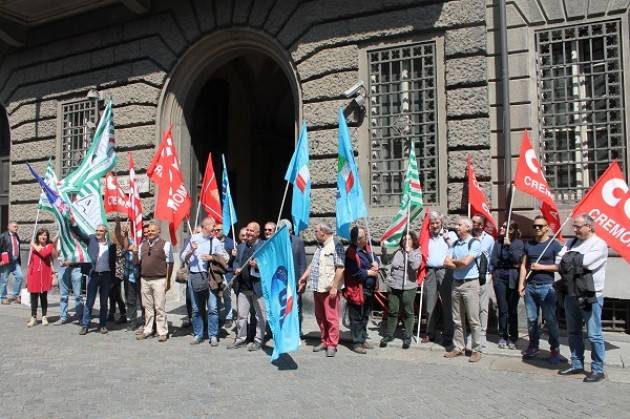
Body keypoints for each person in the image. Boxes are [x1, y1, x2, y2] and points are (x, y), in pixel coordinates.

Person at [556, 214, 609, 383]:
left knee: (594, 335)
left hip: (590, 295)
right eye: (574, 226)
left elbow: (587, 263)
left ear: (589, 227)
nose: (575, 229)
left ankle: (598, 369)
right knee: (573, 332)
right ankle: (577, 363)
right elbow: (559, 260)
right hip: (571, 293)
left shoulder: (599, 244)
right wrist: (572, 261)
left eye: (578, 226)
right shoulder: (571, 242)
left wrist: (570, 260)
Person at [518, 215, 562, 363]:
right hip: (530, 287)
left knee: (550, 320)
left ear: (547, 228)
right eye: (534, 226)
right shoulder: (528, 244)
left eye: (540, 226)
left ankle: (554, 349)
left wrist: (541, 267)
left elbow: (560, 266)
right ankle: (533, 346)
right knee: (531, 320)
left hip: (547, 287)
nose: (537, 228)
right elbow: (524, 266)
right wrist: (521, 284)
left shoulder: (554, 245)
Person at [298, 223, 345, 358]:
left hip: (329, 289)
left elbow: (340, 268)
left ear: (323, 232)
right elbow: (313, 265)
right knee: (320, 317)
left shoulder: (337, 245)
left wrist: (335, 287)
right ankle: (324, 341)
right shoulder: (320, 246)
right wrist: (304, 277)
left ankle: (332, 344)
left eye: (316, 230)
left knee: (331, 318)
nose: (315, 233)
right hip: (317, 288)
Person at [181, 217, 228, 346]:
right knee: (196, 309)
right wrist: (191, 251)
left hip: (210, 278)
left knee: (212, 308)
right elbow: (182, 257)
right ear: (205, 227)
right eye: (213, 226)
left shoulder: (216, 241)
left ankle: (213, 335)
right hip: (194, 277)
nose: (215, 228)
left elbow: (224, 258)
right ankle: (198, 334)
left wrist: (211, 257)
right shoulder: (192, 239)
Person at [443, 217, 483, 362]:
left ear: (467, 227)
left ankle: (476, 350)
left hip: (470, 284)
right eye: (457, 225)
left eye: (459, 225)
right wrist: (457, 263)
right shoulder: (454, 244)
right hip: (456, 283)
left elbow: (466, 262)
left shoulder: (475, 243)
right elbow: (445, 262)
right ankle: (459, 347)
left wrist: (454, 262)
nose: (457, 227)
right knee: (457, 319)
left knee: (473, 319)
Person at [132, 221, 174, 342]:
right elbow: (136, 262)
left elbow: (170, 262)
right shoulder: (142, 245)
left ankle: (162, 332)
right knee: (147, 307)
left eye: (153, 230)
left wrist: (168, 280)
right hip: (145, 279)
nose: (150, 232)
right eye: (149, 231)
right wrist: (135, 253)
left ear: (158, 232)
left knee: (159, 307)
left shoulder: (165, 244)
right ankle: (148, 330)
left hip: (159, 280)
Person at [228, 222, 267, 351]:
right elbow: (236, 263)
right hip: (243, 288)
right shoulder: (240, 247)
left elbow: (269, 265)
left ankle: (258, 340)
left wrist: (258, 266)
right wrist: (235, 269)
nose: (249, 233)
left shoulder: (264, 247)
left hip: (258, 288)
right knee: (241, 316)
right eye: (248, 230)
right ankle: (240, 339)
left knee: (260, 316)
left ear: (257, 233)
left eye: (252, 231)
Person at [380, 231, 421, 349]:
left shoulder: (417, 252)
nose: (405, 242)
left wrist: (409, 253)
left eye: (408, 239)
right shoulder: (397, 252)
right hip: (394, 285)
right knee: (392, 311)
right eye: (404, 240)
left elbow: (415, 266)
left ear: (413, 241)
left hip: (408, 286)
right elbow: (385, 261)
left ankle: (408, 336)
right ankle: (389, 335)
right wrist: (384, 251)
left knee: (408, 312)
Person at [423, 210, 456, 347]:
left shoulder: (450, 234)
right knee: (429, 304)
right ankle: (430, 333)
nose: (435, 225)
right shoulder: (426, 237)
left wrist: (447, 239)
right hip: (430, 271)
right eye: (432, 223)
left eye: (437, 222)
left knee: (447, 304)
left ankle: (448, 335)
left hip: (445, 271)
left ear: (441, 222)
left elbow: (457, 249)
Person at [344, 226, 379, 354]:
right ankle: (357, 342)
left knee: (365, 315)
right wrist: (369, 272)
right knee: (356, 317)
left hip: (369, 289)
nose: (367, 238)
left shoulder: (367, 249)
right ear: (358, 240)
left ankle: (363, 338)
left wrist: (376, 264)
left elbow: (375, 259)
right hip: (357, 289)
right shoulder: (350, 253)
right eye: (364, 237)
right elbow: (353, 272)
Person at [77, 223, 117, 335]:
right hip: (93, 275)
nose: (98, 233)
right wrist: (74, 223)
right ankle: (85, 325)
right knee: (89, 302)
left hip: (106, 276)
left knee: (104, 303)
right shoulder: (91, 240)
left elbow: (113, 263)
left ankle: (103, 325)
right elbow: (80, 234)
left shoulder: (110, 245)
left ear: (105, 232)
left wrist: (112, 279)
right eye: (97, 230)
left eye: (101, 231)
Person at [490, 222, 523, 350]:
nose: (502, 228)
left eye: (506, 227)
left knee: (512, 309)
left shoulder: (518, 243)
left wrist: (509, 247)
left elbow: (516, 259)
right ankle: (503, 335)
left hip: (513, 277)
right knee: (502, 308)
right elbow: (494, 260)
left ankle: (513, 336)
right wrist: (506, 261)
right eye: (502, 226)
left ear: (512, 230)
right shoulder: (498, 242)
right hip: (500, 277)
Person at [277, 219, 306, 336]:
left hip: (294, 281)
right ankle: (282, 331)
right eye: (280, 231)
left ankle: (295, 332)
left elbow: (302, 263)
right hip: (280, 281)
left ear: (291, 231)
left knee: (295, 308)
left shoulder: (298, 242)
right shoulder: (276, 242)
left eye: (286, 232)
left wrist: (302, 281)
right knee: (281, 307)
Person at [471, 215, 495, 349]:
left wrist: (490, 274)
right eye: (472, 221)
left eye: (475, 222)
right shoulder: (467, 238)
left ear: (481, 226)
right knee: (472, 307)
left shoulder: (489, 240)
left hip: (484, 276)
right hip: (470, 276)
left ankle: (482, 334)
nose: (472, 224)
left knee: (483, 307)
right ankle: (473, 333)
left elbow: (492, 257)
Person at [26, 228, 57, 327]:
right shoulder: (33, 247)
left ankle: (44, 317)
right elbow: (31, 261)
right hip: (34, 274)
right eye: (40, 235)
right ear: (37, 236)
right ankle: (33, 317)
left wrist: (33, 245)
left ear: (47, 237)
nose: (43, 237)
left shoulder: (49, 246)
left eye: (45, 235)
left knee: (43, 296)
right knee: (33, 297)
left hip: (44, 274)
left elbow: (44, 254)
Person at [215, 223, 235, 329]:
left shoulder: (231, 243)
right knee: (216, 295)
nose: (216, 231)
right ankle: (216, 317)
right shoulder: (212, 242)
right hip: (216, 273)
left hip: (227, 273)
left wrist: (233, 255)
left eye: (218, 229)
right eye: (215, 229)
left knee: (227, 296)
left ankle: (229, 317)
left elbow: (234, 260)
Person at [0, 221, 24, 304]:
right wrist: (0, 260)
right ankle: (2, 298)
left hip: (15, 262)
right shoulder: (3, 236)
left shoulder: (16, 236)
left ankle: (15, 295)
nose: (16, 228)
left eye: (17, 227)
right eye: (14, 227)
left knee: (20, 276)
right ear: (9, 227)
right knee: (3, 281)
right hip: (6, 262)